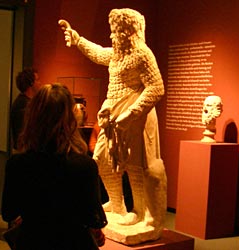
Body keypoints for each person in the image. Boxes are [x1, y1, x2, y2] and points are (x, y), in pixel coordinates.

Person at [59, 8, 167, 245]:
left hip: (133, 116)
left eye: (115, 31)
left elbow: (156, 88)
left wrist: (133, 112)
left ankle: (139, 213)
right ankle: (117, 205)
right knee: (103, 160)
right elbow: (99, 53)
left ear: (128, 32)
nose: (111, 36)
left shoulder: (142, 54)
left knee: (134, 165)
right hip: (112, 115)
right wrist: (78, 40)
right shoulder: (119, 54)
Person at [1, 83, 107, 250]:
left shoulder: (17, 163)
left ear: (32, 117)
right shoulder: (84, 165)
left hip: (33, 242)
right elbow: (93, 217)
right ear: (70, 120)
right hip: (74, 243)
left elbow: (8, 211)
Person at [10, 68, 42, 153]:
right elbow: (23, 133)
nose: (40, 83)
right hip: (23, 152)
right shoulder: (23, 105)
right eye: (38, 80)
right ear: (31, 83)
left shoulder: (28, 102)